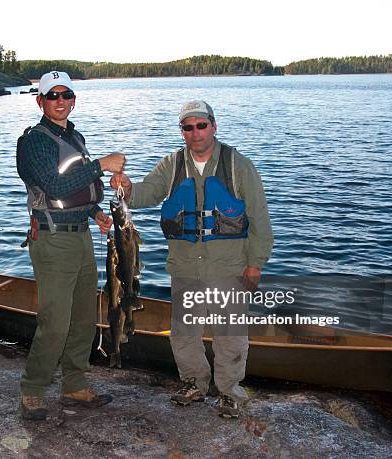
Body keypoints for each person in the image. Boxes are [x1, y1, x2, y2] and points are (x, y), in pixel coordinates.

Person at [111, 100, 273, 418]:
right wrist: (127, 188)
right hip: (185, 267)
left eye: (201, 125)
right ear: (182, 132)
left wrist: (256, 265)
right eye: (188, 127)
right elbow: (147, 193)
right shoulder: (171, 165)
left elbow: (261, 220)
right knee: (185, 333)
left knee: (230, 336)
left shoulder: (239, 165)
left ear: (213, 126)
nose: (195, 132)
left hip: (228, 267)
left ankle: (230, 393)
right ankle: (194, 384)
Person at [16, 70, 126, 421]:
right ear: (41, 101)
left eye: (66, 95)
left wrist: (95, 212)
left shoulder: (73, 136)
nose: (60, 101)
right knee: (56, 321)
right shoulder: (34, 141)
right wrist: (100, 165)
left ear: (74, 99)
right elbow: (53, 185)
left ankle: (74, 385)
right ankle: (33, 390)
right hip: (51, 241)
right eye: (53, 96)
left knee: (83, 318)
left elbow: (74, 189)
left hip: (80, 237)